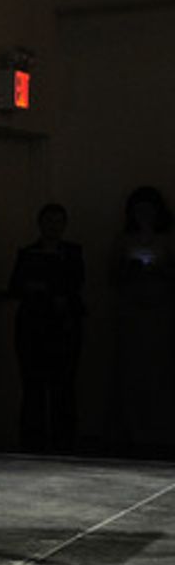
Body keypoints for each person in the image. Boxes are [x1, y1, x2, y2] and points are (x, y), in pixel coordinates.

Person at [8, 202, 84, 452]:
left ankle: (63, 442)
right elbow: (15, 287)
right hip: (33, 327)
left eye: (58, 221)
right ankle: (33, 442)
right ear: (40, 224)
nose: (53, 226)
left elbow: (77, 285)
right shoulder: (28, 254)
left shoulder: (72, 253)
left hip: (62, 327)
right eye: (49, 221)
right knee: (33, 387)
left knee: (63, 387)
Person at [109, 185, 175, 458]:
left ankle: (160, 433)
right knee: (132, 375)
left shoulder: (168, 240)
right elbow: (112, 278)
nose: (144, 215)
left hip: (161, 316)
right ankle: (134, 433)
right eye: (139, 210)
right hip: (132, 316)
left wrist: (161, 270)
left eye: (149, 210)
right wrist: (130, 269)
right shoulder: (123, 241)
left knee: (160, 375)